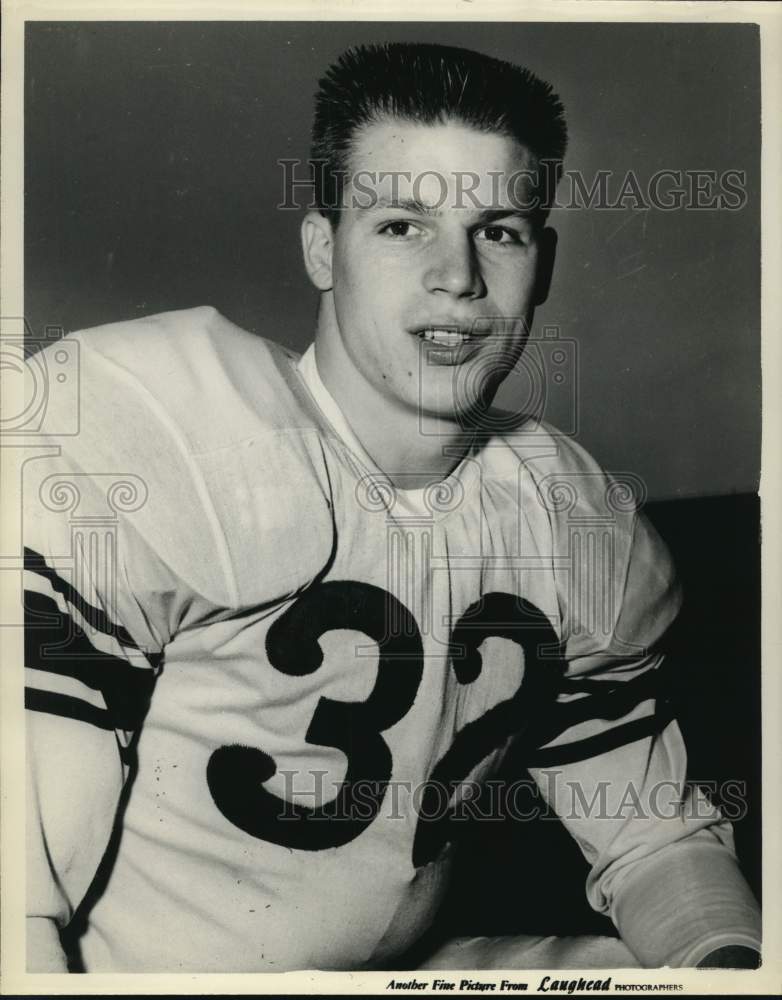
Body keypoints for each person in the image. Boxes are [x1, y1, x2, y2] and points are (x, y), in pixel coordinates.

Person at [24, 42, 761, 973]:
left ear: (544, 260)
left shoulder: (564, 514)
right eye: (403, 225)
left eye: (498, 229)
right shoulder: (169, 434)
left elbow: (657, 843)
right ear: (323, 246)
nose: (458, 276)